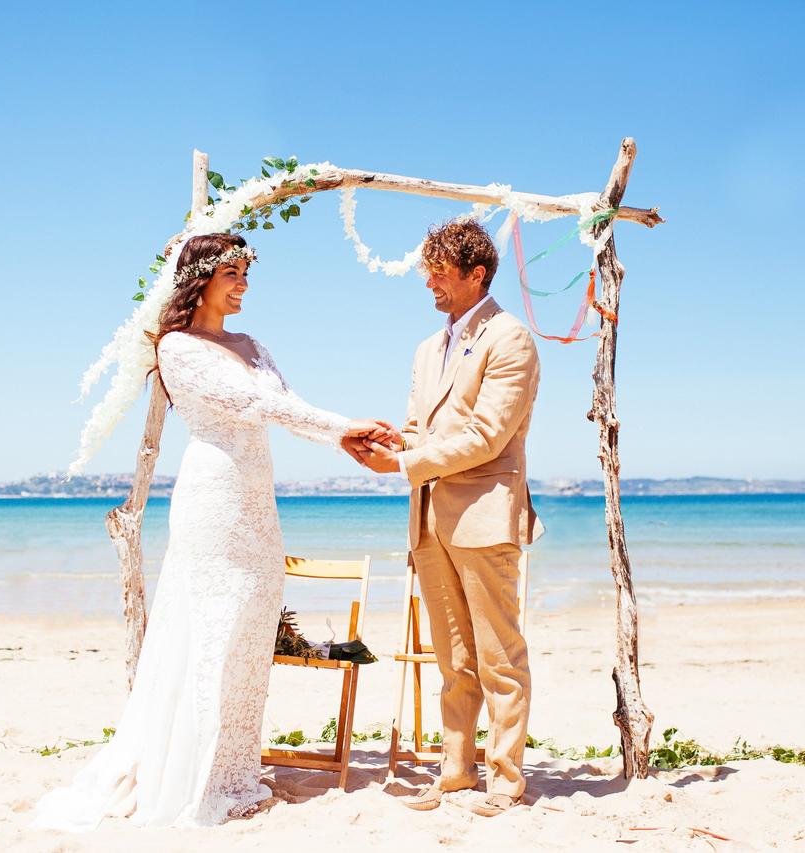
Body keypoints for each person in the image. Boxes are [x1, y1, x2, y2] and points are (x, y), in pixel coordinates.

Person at [34, 233, 391, 830]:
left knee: (249, 635)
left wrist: (346, 441)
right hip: (213, 497)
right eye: (233, 272)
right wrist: (343, 425)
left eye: (247, 272)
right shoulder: (177, 348)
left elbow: (287, 405)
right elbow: (253, 405)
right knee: (211, 633)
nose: (244, 282)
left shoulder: (254, 344)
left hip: (258, 498)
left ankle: (235, 772)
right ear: (201, 278)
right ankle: (195, 776)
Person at [346, 219, 543, 817]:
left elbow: (487, 435)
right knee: (452, 658)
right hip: (428, 518)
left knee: (498, 657)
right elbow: (419, 429)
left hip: (485, 516)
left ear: (475, 273)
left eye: (439, 270)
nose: (428, 281)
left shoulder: (511, 339)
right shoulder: (426, 348)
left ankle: (506, 780)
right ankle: (455, 771)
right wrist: (385, 442)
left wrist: (404, 461)